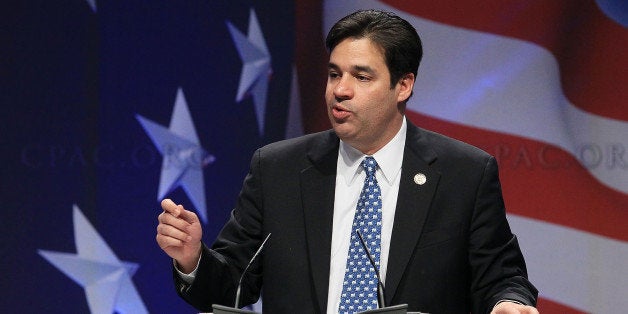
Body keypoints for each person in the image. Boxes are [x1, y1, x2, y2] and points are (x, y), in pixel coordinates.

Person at [156, 9, 538, 314]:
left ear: (403, 86)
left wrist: (508, 303)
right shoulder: (278, 170)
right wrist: (193, 260)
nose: (340, 90)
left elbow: (501, 275)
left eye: (361, 76)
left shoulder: (464, 173)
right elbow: (233, 287)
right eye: (334, 74)